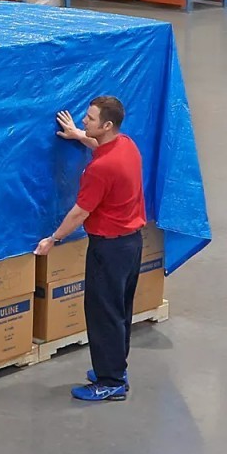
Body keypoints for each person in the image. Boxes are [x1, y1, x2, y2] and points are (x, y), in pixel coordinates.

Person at [34, 96, 146, 402]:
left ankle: (110, 381)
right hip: (131, 244)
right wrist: (78, 136)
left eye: (90, 119)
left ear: (107, 125)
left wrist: (53, 239)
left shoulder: (101, 169)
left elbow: (79, 212)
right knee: (119, 310)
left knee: (102, 314)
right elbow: (99, 146)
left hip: (108, 250)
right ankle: (116, 369)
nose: (84, 121)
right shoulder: (126, 146)